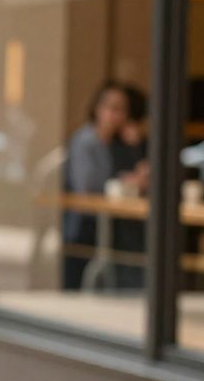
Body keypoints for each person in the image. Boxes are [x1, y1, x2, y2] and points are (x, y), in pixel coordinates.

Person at [62, 81, 148, 290]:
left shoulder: (118, 143)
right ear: (97, 109)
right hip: (87, 220)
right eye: (111, 108)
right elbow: (87, 186)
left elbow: (139, 175)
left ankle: (133, 287)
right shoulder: (86, 141)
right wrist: (124, 182)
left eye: (121, 110)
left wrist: (134, 147)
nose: (115, 115)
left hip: (113, 218)